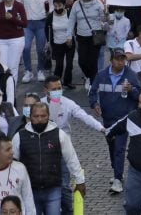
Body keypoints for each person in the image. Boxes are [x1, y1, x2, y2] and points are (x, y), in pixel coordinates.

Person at [40, 75, 104, 212]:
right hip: (43, 150)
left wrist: (101, 128)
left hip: (63, 148)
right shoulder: (39, 106)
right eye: (54, 89)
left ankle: (67, 211)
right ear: (46, 91)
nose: (58, 91)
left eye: (59, 88)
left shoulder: (67, 103)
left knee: (64, 184)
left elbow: (84, 116)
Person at [12, 102, 85, 215]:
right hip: (29, 190)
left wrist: (80, 180)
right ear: (30, 117)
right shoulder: (19, 137)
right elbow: (12, 163)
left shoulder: (59, 135)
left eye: (43, 116)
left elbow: (71, 159)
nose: (40, 119)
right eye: (36, 116)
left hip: (53, 188)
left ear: (48, 116)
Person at [88, 47, 141, 192]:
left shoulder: (131, 76)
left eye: (123, 59)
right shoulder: (102, 75)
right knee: (112, 147)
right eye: (117, 59)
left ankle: (118, 178)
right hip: (108, 119)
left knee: (119, 148)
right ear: (111, 60)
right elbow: (92, 93)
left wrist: (132, 91)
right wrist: (95, 104)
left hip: (124, 119)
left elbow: (140, 96)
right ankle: (117, 171)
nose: (120, 62)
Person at [66, 0, 105, 89]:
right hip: (81, 36)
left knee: (93, 60)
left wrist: (106, 15)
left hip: (95, 36)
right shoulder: (76, 4)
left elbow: (104, 19)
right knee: (82, 60)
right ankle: (88, 76)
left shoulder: (98, 3)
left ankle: (93, 82)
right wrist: (68, 36)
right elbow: (71, 21)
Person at [19, 0, 53, 84]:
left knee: (40, 49)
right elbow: (19, 5)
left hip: (41, 22)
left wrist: (49, 16)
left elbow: (52, 5)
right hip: (27, 23)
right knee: (26, 47)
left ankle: (40, 70)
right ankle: (28, 70)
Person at [45, 0, 76, 88]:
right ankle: (56, 83)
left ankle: (67, 81)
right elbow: (47, 29)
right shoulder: (51, 16)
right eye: (55, 6)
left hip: (69, 42)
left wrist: (71, 37)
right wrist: (49, 41)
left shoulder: (69, 13)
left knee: (69, 64)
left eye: (59, 5)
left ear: (64, 5)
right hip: (57, 43)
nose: (57, 8)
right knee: (59, 65)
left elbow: (74, 26)